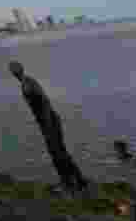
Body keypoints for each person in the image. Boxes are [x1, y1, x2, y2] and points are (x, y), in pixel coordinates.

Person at [8, 61, 88, 194]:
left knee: (57, 153)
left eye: (15, 68)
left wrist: (47, 124)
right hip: (48, 122)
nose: (14, 71)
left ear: (20, 69)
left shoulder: (28, 84)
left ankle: (72, 181)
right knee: (58, 153)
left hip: (50, 122)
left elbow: (44, 101)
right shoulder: (26, 83)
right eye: (12, 69)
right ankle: (75, 180)